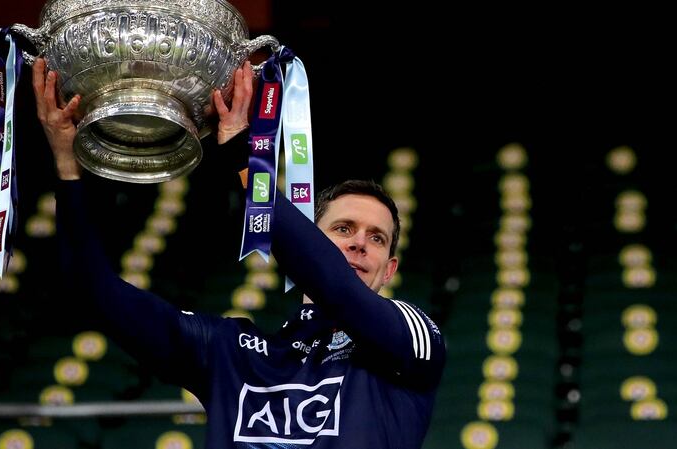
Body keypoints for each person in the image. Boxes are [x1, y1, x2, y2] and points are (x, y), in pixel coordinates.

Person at [33, 57, 446, 448]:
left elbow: (336, 289)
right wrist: (67, 162)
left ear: (390, 269)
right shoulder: (231, 351)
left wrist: (243, 160)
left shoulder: (415, 339)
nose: (359, 242)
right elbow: (95, 292)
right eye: (343, 229)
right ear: (312, 238)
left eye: (376, 238)